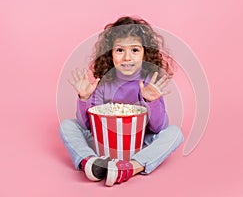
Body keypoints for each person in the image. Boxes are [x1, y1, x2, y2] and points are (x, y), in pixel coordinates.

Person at [59, 16, 184, 187]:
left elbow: (158, 128)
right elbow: (87, 125)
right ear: (110, 54)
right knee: (68, 125)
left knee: (174, 132)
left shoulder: (149, 83)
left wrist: (151, 100)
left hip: (139, 143)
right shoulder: (104, 83)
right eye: (119, 50)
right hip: (102, 143)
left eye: (135, 50)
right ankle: (91, 163)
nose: (127, 58)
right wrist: (84, 98)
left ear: (145, 53)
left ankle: (131, 167)